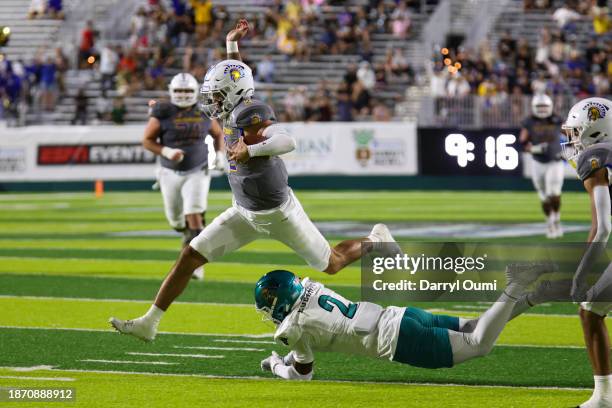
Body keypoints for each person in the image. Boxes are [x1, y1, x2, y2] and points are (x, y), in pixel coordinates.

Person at [109, 20, 401, 341]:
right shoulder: (233, 105)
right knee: (190, 255)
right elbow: (238, 75)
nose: (213, 101)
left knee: (331, 264)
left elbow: (286, 140)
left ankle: (376, 240)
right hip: (244, 212)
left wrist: (252, 150)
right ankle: (150, 322)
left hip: (279, 213)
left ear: (234, 94)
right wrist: (231, 44)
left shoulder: (252, 110)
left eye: (218, 94)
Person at [254, 265, 553, 380]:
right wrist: (292, 354)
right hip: (400, 316)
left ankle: (516, 286)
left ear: (279, 302)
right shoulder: (312, 288)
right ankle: (533, 297)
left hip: (398, 341)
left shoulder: (291, 329)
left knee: (479, 344)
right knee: (476, 326)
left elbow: (302, 375)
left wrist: (277, 364)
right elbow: (313, 334)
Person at [141, 73, 224, 280]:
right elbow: (147, 140)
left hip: (198, 169)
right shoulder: (162, 111)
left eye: (187, 91)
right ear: (171, 91)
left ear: (195, 91)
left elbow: (218, 134)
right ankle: (189, 235)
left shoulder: (204, 111)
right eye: (179, 91)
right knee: (177, 222)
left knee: (193, 214)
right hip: (169, 171)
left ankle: (195, 264)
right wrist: (167, 152)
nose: (184, 95)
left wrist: (220, 154)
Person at [562, 97, 612, 408]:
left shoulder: (596, 157)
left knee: (590, 308)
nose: (571, 140)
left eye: (577, 132)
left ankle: (605, 397)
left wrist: (579, 275)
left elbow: (602, 228)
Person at [519, 94, 564, 239]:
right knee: (544, 196)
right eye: (540, 107)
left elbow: (572, 134)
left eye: (545, 106)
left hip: (555, 161)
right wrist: (533, 149)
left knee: (554, 193)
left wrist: (569, 147)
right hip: (538, 162)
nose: (543, 110)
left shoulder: (557, 120)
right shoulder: (529, 122)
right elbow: (522, 142)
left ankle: (556, 218)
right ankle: (549, 222)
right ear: (534, 108)